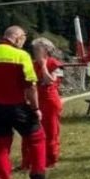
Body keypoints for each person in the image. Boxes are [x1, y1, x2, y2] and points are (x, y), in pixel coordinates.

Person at [0, 26, 51, 179]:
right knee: (37, 138)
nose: (24, 41)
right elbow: (31, 86)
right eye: (23, 37)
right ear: (16, 38)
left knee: (0, 147)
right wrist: (36, 109)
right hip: (17, 106)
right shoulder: (21, 56)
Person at [27, 37, 64, 168]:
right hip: (35, 100)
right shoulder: (31, 64)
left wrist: (43, 66)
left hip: (50, 100)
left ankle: (51, 159)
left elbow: (50, 81)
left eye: (38, 49)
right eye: (34, 50)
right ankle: (29, 161)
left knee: (51, 130)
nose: (35, 52)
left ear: (46, 50)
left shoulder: (54, 63)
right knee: (31, 131)